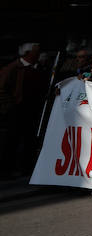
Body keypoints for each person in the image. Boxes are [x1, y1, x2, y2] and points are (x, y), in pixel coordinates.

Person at [0, 43, 46, 177]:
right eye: (36, 52)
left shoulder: (38, 67)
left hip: (33, 109)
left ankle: (27, 167)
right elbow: (2, 89)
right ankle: (6, 169)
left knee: (30, 140)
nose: (39, 54)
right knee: (12, 140)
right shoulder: (13, 68)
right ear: (27, 53)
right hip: (17, 110)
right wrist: (10, 106)